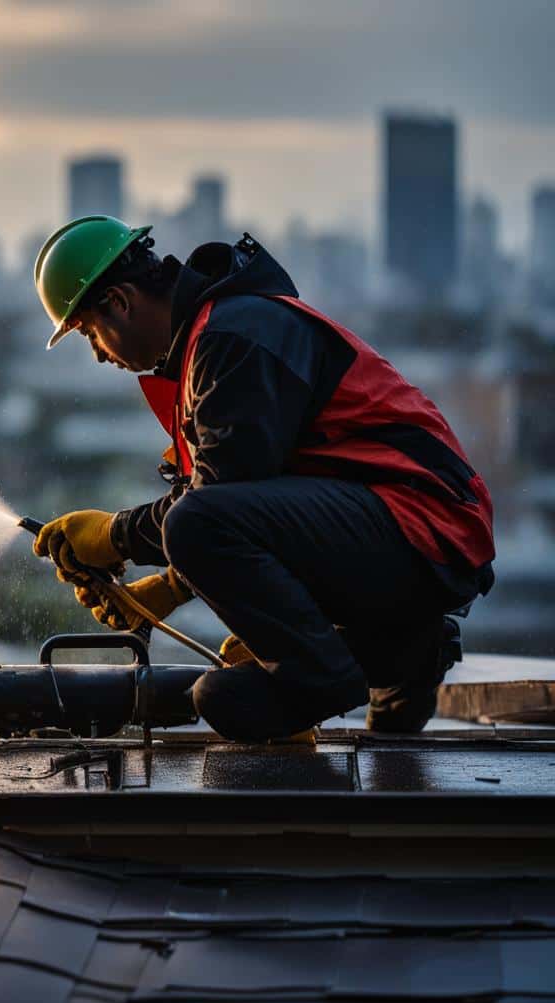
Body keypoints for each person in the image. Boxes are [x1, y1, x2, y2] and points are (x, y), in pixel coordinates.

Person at [31, 216, 495, 740]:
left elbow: (215, 502)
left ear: (119, 302)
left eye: (89, 332)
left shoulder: (234, 333)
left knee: (194, 525)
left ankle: (319, 676)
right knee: (224, 698)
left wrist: (114, 535)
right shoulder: (214, 336)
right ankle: (403, 650)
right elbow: (251, 502)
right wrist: (166, 589)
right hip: (405, 537)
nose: (97, 352)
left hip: (421, 524)